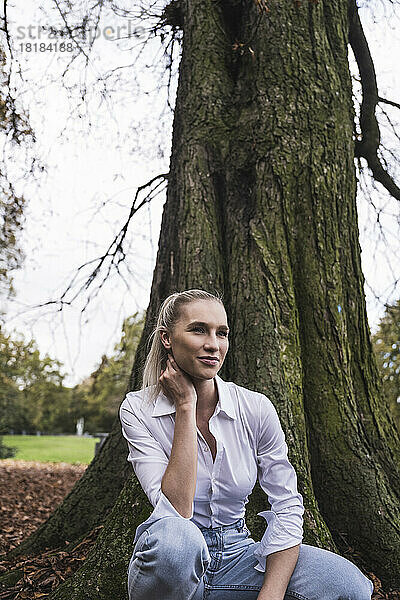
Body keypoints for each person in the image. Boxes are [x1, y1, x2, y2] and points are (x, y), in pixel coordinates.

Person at [119, 289, 374, 600]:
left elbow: (287, 505)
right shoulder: (138, 409)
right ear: (167, 338)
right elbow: (176, 510)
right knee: (178, 539)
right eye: (198, 330)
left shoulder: (255, 408)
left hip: (238, 557)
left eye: (221, 333)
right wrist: (185, 406)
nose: (213, 344)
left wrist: (271, 592)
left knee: (348, 586)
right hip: (173, 562)